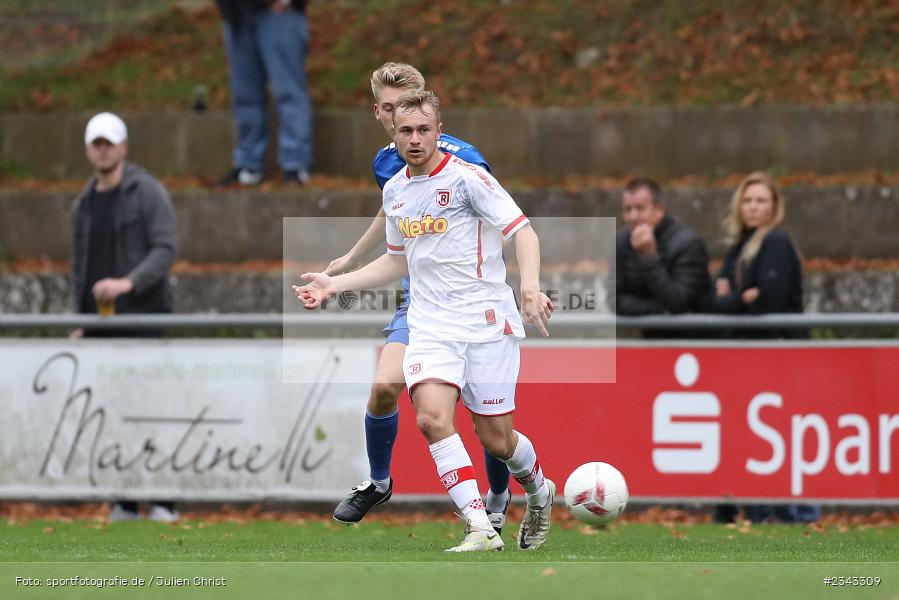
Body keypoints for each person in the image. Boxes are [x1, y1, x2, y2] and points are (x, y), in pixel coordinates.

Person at [295, 91, 555, 552]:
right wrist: (335, 284)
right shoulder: (395, 190)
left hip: (486, 322)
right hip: (432, 326)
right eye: (405, 131)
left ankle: (539, 491)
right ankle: (479, 527)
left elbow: (523, 231)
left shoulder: (468, 178)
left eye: (423, 130)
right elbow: (397, 260)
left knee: (498, 441)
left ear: (439, 132)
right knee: (432, 418)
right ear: (393, 136)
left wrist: (530, 287)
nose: (414, 139)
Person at [323, 63, 514, 533]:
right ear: (378, 112)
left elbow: (493, 220)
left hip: (467, 303)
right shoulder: (386, 162)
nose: (397, 118)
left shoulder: (464, 159)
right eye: (388, 109)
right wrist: (351, 257)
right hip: (419, 301)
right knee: (383, 387)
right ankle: (379, 482)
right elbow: (395, 210)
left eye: (405, 108)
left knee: (487, 422)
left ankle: (498, 493)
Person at [71, 112, 179, 522]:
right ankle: (126, 500)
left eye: (109, 143)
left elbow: (165, 249)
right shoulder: (83, 204)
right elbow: (80, 268)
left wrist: (127, 283)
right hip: (101, 327)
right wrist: (80, 320)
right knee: (111, 413)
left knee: (151, 410)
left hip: (144, 320)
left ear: (123, 147)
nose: (102, 150)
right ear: (88, 150)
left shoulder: (146, 192)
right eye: (96, 143)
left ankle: (164, 500)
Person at [708, 171, 819, 524]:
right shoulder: (739, 248)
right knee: (743, 433)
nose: (753, 207)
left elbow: (769, 299)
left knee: (773, 432)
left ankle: (783, 510)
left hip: (776, 357)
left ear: (774, 207)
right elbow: (715, 299)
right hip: (746, 359)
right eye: (748, 200)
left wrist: (734, 297)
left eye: (761, 201)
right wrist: (743, 297)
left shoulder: (777, 242)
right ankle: (747, 507)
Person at [215, 0, 312, 186]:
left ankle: (295, 164)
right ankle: (249, 165)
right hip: (237, 13)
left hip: (279, 14)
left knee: (289, 92)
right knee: (245, 95)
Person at [614, 178, 711, 325]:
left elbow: (679, 303)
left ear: (660, 210)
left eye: (640, 208)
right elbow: (615, 300)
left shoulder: (687, 243)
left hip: (690, 335)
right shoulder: (622, 241)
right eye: (628, 209)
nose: (633, 217)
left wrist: (649, 256)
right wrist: (659, 309)